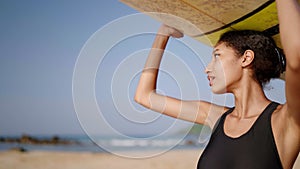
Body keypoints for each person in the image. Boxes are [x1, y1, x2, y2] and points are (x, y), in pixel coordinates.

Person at [134, 0, 300, 168]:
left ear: (246, 58)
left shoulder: (286, 120)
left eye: (217, 56)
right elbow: (144, 96)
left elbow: (296, 59)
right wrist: (163, 34)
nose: (207, 68)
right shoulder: (214, 116)